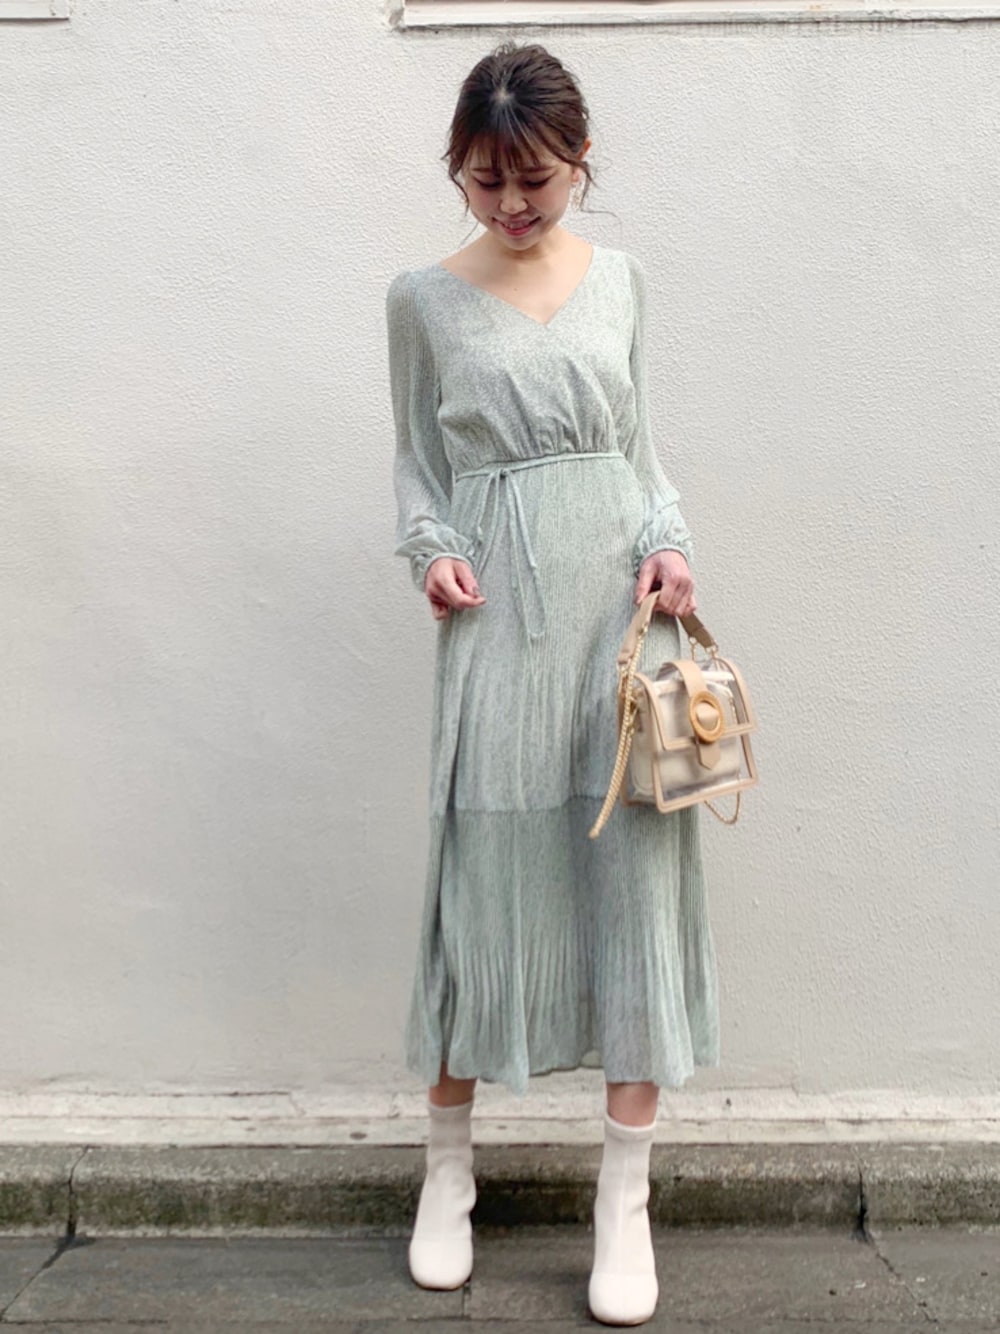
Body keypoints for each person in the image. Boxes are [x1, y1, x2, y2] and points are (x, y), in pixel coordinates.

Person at [386, 41, 719, 1328]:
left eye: (534, 178)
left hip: (616, 624)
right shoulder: (422, 299)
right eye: (485, 181)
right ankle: (446, 1172)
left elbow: (640, 446)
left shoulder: (621, 281)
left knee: (632, 882)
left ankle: (623, 1198)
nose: (513, 204)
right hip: (498, 623)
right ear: (458, 172)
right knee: (478, 885)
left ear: (579, 160)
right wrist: (433, 550)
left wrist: (669, 541)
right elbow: (417, 464)